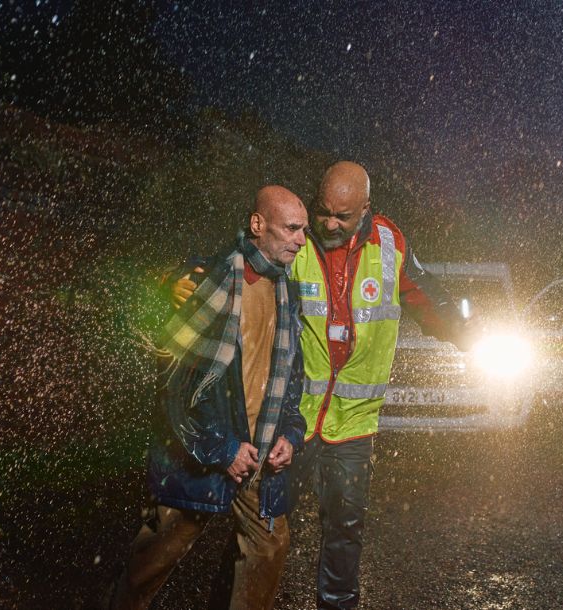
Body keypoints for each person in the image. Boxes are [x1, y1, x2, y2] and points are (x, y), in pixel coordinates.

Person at [172, 162, 471, 609]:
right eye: (323, 211)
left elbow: (428, 298)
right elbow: (242, 262)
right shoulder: (298, 239)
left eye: (342, 216)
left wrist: (470, 331)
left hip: (353, 426)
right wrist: (191, 276)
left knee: (344, 536)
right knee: (260, 529)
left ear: (366, 210)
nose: (328, 223)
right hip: (294, 421)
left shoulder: (390, 244)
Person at [110, 185, 308, 610]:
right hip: (201, 452)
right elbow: (177, 384)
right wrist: (221, 447)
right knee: (155, 557)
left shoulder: (289, 291)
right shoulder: (214, 280)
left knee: (269, 547)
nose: (301, 240)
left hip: (259, 453)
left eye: (303, 230)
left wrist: (290, 432)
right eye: (292, 229)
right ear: (258, 225)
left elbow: (294, 377)